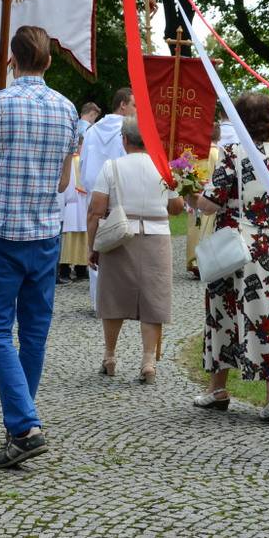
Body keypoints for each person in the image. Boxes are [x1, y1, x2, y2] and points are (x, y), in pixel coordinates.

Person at [0, 25, 78, 468]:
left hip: (0, 231)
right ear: (47, 61)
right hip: (45, 234)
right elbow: (64, 182)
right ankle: (21, 425)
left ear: (11, 60)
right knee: (33, 333)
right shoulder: (67, 109)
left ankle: (25, 425)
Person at [193, 92, 269, 422]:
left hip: (237, 246)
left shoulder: (232, 154)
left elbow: (210, 204)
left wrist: (190, 192)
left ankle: (218, 389)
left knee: (224, 310)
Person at [86, 118, 184, 384]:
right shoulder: (163, 168)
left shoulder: (111, 167)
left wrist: (92, 246)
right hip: (157, 236)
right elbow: (177, 207)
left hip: (119, 236)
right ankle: (148, 361)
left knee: (114, 297)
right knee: (154, 299)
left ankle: (109, 356)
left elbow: (96, 210)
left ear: (124, 140)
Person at [78, 87, 134, 192]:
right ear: (123, 105)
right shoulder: (129, 132)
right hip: (119, 194)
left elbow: (82, 164)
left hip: (92, 194)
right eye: (134, 106)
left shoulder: (91, 130)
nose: (137, 111)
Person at [184, 123, 221, 279]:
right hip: (211, 199)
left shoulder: (196, 153)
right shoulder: (219, 154)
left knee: (195, 229)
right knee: (209, 230)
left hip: (195, 196)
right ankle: (207, 262)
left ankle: (193, 261)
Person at [56, 135, 89, 284]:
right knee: (73, 238)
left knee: (76, 238)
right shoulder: (78, 161)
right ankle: (72, 270)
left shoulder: (71, 160)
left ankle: (74, 269)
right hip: (74, 204)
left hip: (76, 204)